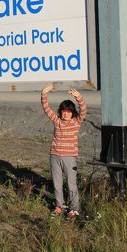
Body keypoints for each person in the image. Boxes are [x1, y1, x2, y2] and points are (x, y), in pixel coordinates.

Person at [40, 83, 86, 219]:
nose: (66, 113)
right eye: (64, 111)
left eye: (69, 111)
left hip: (69, 157)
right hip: (54, 156)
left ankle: (74, 209)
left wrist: (79, 97)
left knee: (71, 184)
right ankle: (59, 206)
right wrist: (44, 93)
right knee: (57, 184)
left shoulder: (76, 122)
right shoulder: (57, 121)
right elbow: (46, 107)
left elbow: (83, 109)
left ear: (72, 112)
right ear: (60, 111)